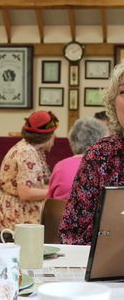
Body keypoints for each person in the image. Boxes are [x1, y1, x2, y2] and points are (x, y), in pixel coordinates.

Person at [60, 63, 124, 245]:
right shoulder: (99, 155)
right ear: (113, 103)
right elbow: (71, 231)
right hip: (107, 267)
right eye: (123, 92)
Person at [0, 110, 59, 231]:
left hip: (16, 210)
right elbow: (25, 193)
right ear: (48, 136)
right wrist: (55, 193)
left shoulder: (28, 148)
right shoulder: (27, 153)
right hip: (16, 215)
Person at [46, 117, 109, 200]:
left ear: (72, 141)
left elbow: (50, 201)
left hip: (62, 212)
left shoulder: (61, 167)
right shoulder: (109, 166)